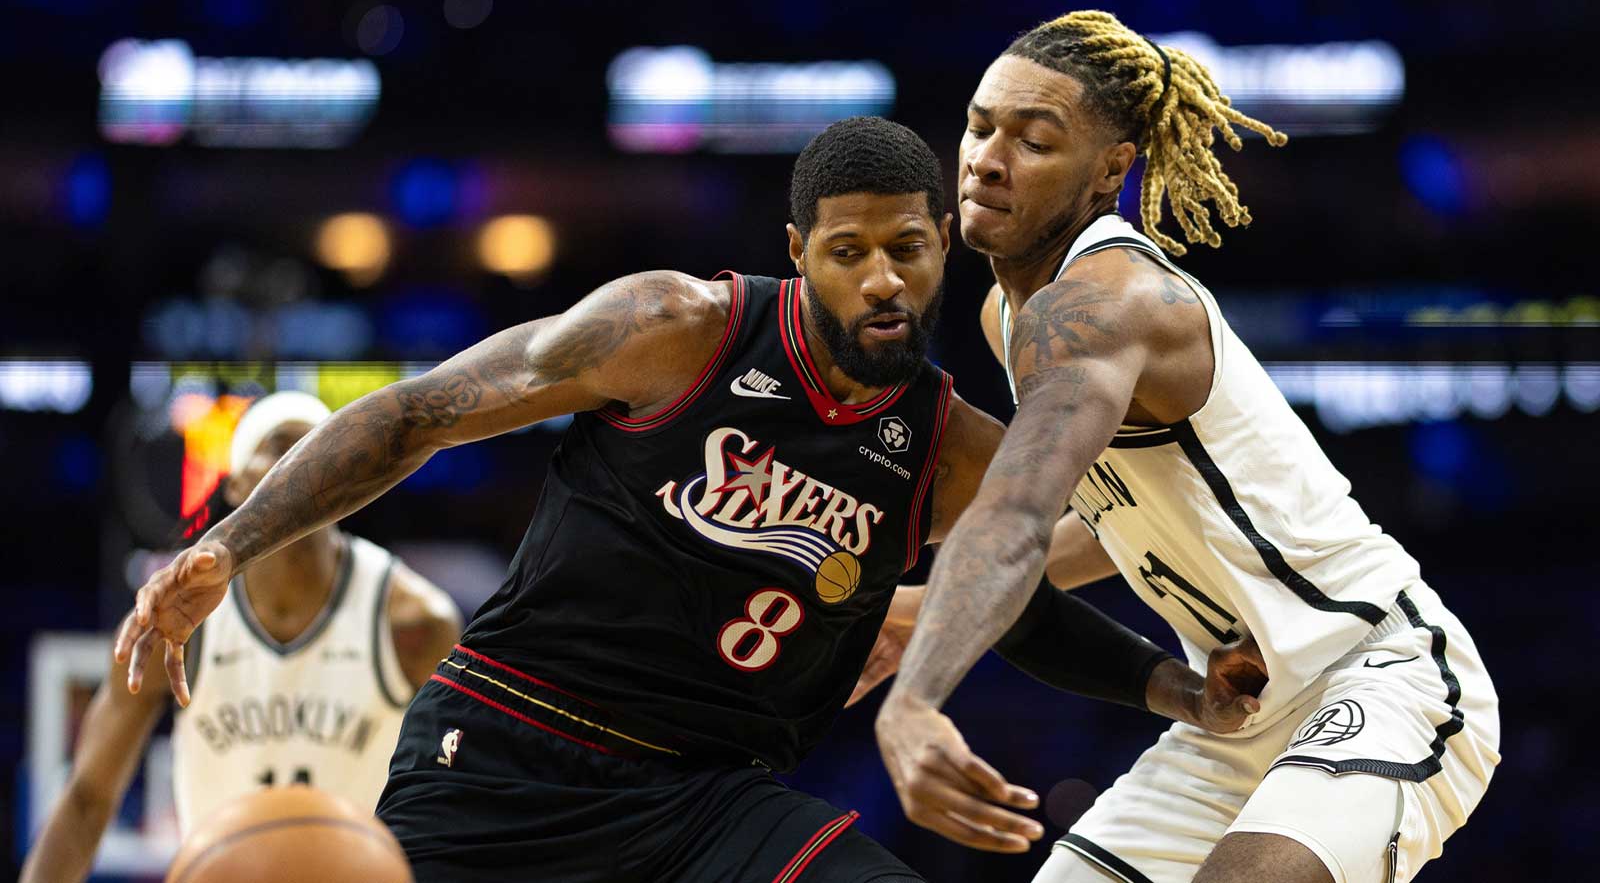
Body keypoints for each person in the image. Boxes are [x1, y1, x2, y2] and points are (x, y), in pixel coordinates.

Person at [111, 117, 1255, 882]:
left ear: (941, 246)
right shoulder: (675, 329)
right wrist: (229, 543)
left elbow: (1008, 590)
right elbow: (416, 414)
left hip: (707, 802)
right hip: (507, 755)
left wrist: (1171, 685)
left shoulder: (950, 447)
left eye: (906, 247)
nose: (882, 277)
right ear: (799, 252)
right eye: (848, 249)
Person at [873, 10, 1501, 883]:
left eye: (1034, 141)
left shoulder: (1108, 303)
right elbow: (1120, 522)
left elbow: (1015, 514)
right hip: (1238, 710)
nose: (985, 157)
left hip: (1379, 670)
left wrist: (915, 701)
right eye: (981, 126)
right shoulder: (1006, 312)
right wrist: (930, 608)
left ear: (1110, 169)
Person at [22, 391, 460, 883]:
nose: (301, 468)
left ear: (349, 482)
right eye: (280, 449)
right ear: (234, 486)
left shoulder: (414, 620)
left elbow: (463, 804)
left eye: (319, 452)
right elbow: (87, 798)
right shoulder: (181, 618)